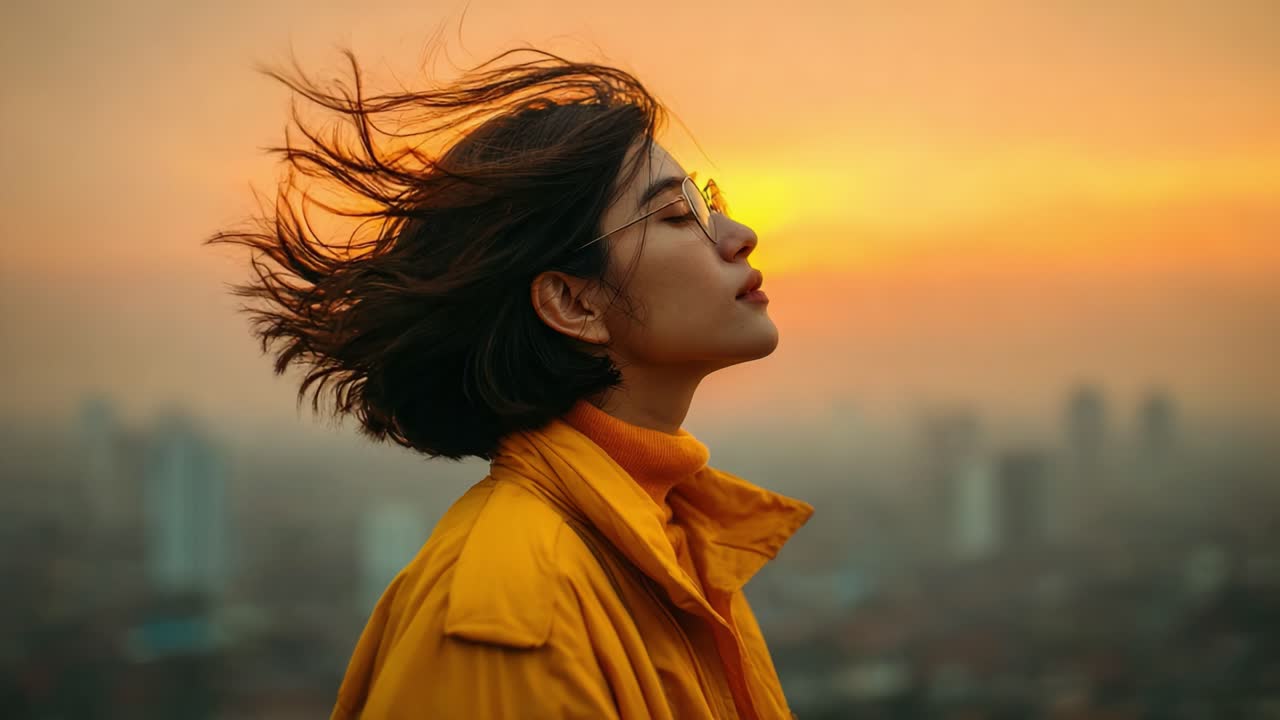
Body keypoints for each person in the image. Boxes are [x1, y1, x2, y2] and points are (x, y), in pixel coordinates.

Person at [209, 44, 813, 720]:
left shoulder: (671, 546)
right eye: (676, 217)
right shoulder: (518, 608)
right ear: (573, 303)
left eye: (708, 204)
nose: (741, 235)